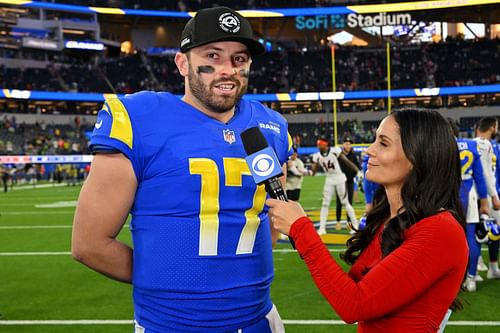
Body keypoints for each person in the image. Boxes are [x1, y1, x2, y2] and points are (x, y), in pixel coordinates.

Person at [72, 7, 290, 333]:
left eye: (239, 59)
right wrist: (172, 278)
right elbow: (89, 244)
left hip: (261, 320)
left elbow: (275, 216)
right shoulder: (139, 119)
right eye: (213, 56)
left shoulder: (270, 125)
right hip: (172, 325)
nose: (227, 69)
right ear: (182, 63)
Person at [267, 109, 468, 333]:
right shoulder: (392, 219)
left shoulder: (441, 230)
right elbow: (354, 286)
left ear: (417, 156)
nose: (369, 150)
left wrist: (301, 229)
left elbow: (355, 304)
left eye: (383, 143)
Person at [449, 119, 489, 292]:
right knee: (471, 236)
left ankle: (450, 280)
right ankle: (471, 279)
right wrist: (485, 201)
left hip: (448, 193)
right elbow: (480, 177)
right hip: (469, 192)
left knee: (447, 238)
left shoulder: (443, 147)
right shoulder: (471, 145)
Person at [310, 138, 361, 234]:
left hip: (339, 178)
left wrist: (357, 171)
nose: (319, 146)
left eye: (320, 144)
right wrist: (314, 164)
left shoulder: (334, 151)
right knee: (325, 204)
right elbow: (313, 172)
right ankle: (322, 228)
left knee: (345, 202)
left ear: (326, 145)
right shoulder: (316, 156)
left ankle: (355, 224)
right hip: (329, 179)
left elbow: (346, 161)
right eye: (318, 144)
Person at [474, 117, 500, 280]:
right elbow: (486, 173)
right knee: (493, 230)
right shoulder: (485, 144)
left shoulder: (471, 143)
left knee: (476, 231)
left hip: (472, 193)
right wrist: (493, 195)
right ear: (491, 128)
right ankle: (489, 268)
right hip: (485, 194)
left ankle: (479, 267)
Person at [335, 137, 360, 228]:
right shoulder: (339, 156)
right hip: (340, 182)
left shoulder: (353, 155)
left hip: (350, 181)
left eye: (349, 144)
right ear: (343, 145)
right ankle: (338, 221)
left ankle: (348, 221)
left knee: (349, 202)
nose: (348, 145)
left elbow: (357, 167)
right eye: (346, 143)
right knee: (339, 202)